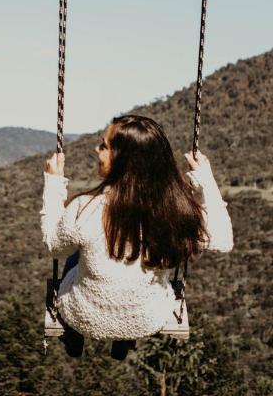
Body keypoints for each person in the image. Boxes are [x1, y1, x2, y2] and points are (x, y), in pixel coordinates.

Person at [41, 114, 233, 358]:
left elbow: (54, 245)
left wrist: (54, 183)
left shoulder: (85, 209)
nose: (95, 148)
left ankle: (74, 335)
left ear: (123, 159)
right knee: (132, 269)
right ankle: (125, 339)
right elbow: (223, 241)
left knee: (74, 255)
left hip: (83, 315)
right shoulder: (175, 211)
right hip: (147, 318)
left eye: (104, 146)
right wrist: (206, 181)